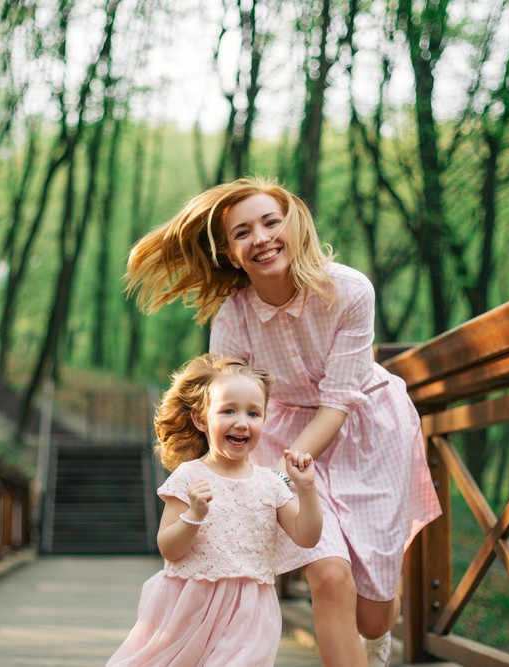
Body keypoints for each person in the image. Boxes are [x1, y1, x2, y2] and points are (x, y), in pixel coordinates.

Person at [124, 177, 442, 667]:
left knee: (374, 615)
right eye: (243, 232)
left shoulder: (350, 290)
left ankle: (375, 636)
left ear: (293, 228)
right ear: (231, 253)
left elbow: (338, 401)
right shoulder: (234, 315)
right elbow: (224, 404)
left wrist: (276, 475)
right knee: (329, 575)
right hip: (283, 432)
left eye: (272, 222)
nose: (262, 238)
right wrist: (214, 476)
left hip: (367, 429)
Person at [107, 353, 323, 666]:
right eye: (228, 411)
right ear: (200, 418)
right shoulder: (190, 476)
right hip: (191, 608)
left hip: (251, 611)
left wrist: (307, 489)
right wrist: (192, 516)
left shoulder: (270, 483)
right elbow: (169, 548)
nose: (241, 422)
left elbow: (307, 536)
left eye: (253, 413)